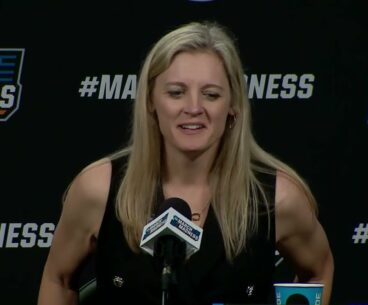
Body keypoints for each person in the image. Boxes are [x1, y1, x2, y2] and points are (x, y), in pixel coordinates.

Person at [37, 20, 334, 305]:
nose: (194, 108)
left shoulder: (276, 199)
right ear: (151, 100)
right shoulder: (98, 189)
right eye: (176, 93)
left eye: (211, 94)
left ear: (233, 104)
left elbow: (318, 270)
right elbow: (58, 279)